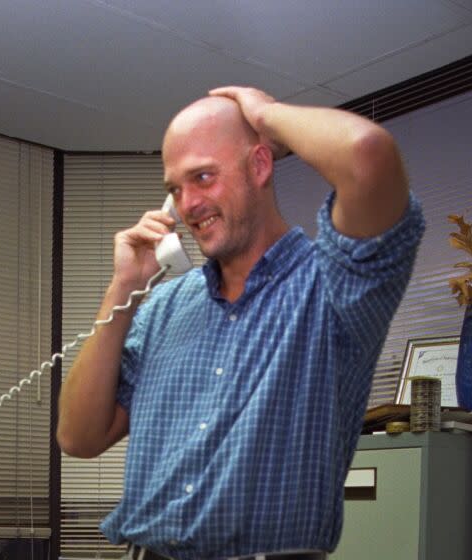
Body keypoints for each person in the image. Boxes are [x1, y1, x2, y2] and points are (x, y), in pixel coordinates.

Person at [57, 86, 425, 560]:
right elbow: (78, 436)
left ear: (259, 165)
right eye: (175, 189)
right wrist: (123, 291)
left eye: (203, 177)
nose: (187, 205)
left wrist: (267, 116)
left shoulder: (333, 287)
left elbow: (367, 154)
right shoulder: (164, 307)